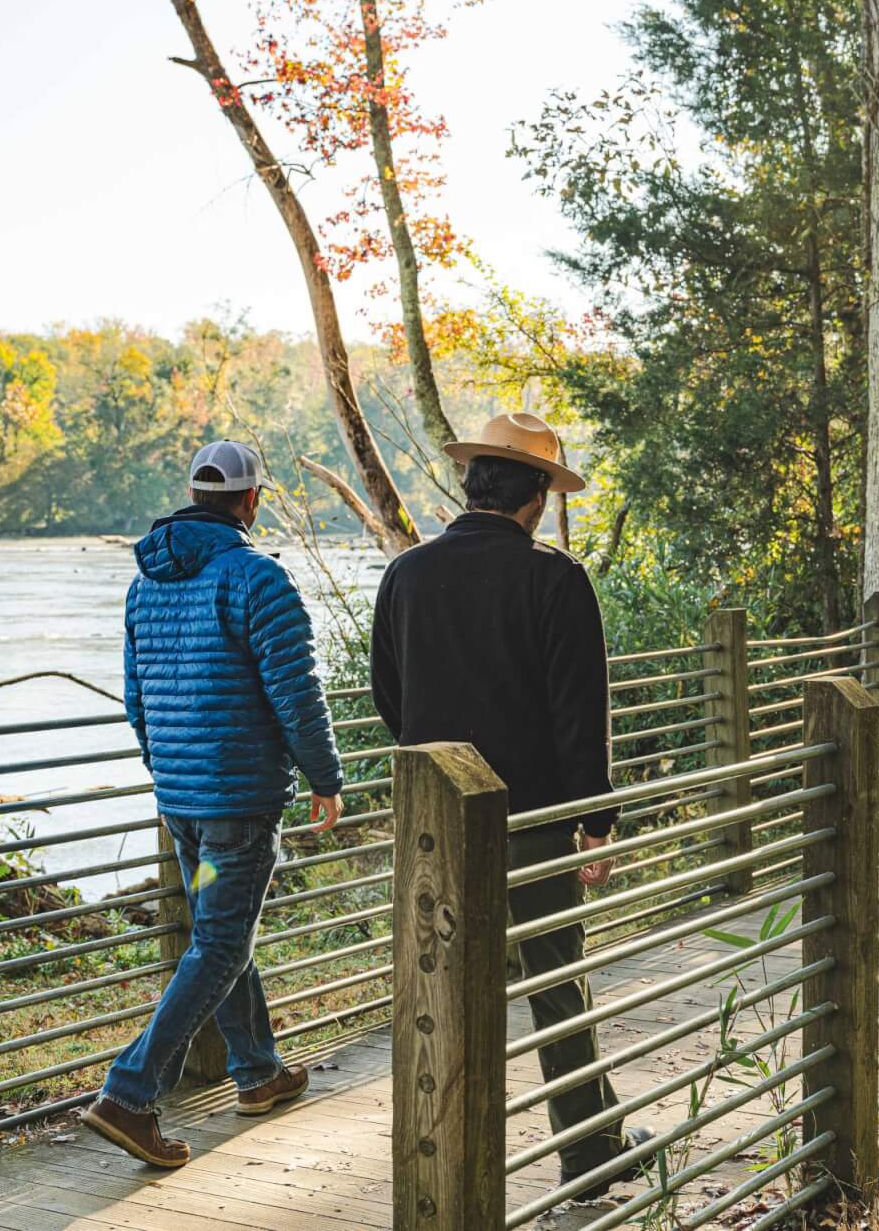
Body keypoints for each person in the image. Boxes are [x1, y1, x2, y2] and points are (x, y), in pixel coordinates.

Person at [370, 411, 654, 1198]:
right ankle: (588, 1153)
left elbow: (387, 696)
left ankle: (443, 1162)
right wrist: (595, 822)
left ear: (472, 485)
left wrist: (439, 766)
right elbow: (577, 713)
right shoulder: (554, 578)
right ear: (533, 495)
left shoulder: (406, 574)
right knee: (556, 981)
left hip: (433, 822)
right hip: (527, 819)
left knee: (441, 982)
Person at [81, 440, 346, 1169]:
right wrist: (326, 777)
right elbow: (297, 695)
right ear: (252, 500)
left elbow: (137, 700)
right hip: (240, 804)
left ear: (193, 496)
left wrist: (167, 770)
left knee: (219, 929)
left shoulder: (145, 584)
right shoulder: (257, 578)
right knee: (224, 941)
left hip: (184, 805)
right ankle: (129, 1094)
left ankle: (257, 1071)